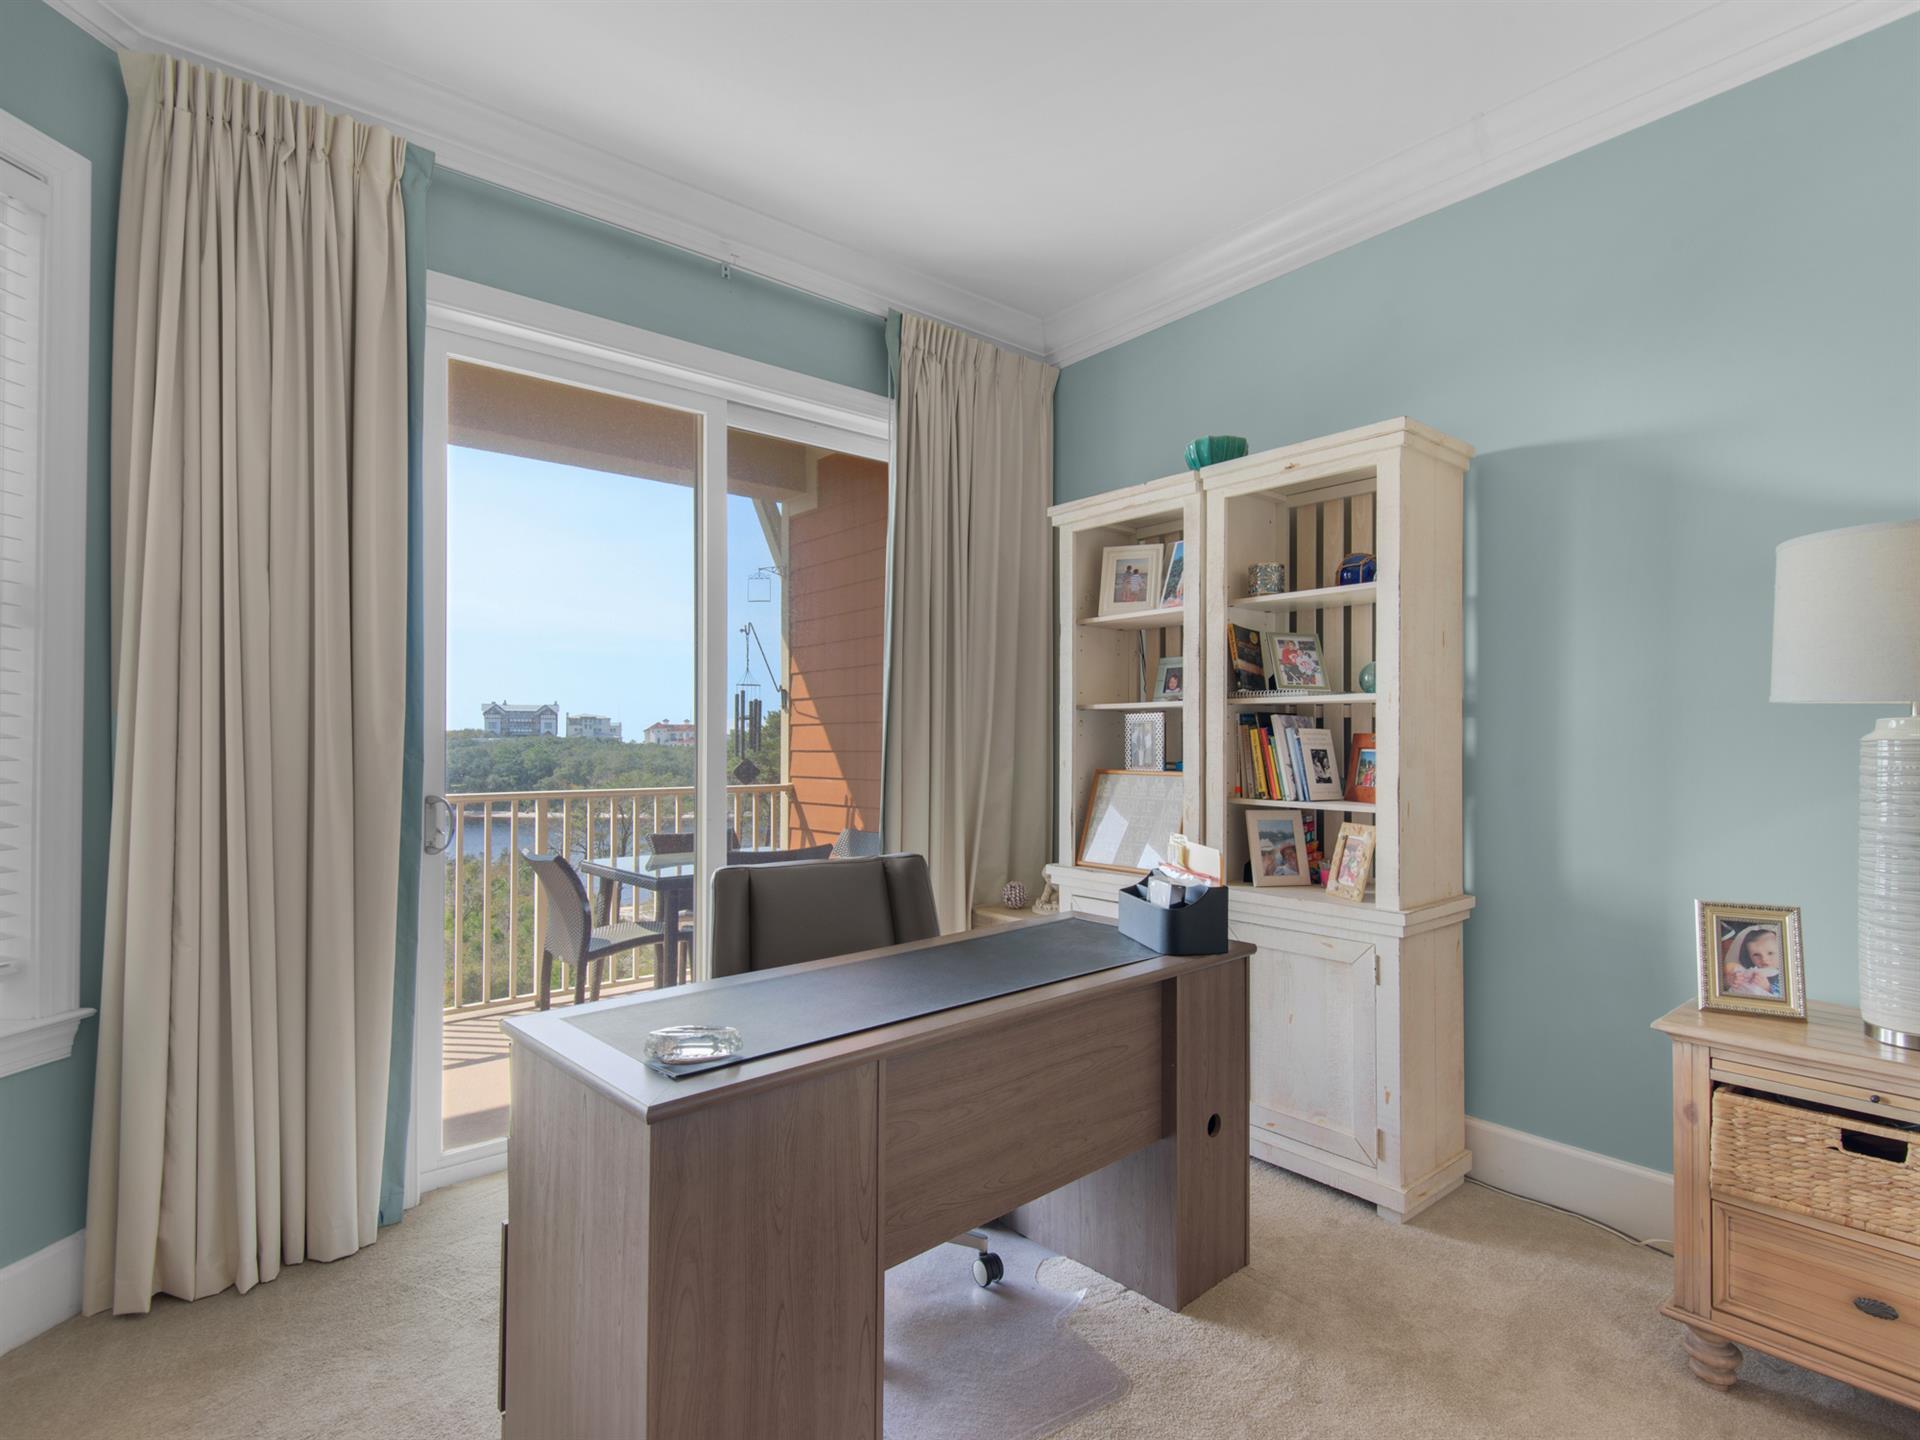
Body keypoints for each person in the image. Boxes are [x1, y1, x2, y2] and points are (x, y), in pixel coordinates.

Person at [1721, 924, 1784, 998]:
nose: (1764, 959)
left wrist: (1768, 988)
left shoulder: (1782, 976)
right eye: (1756, 955)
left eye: (1770, 953)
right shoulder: (1746, 971)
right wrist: (1729, 981)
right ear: (1749, 957)